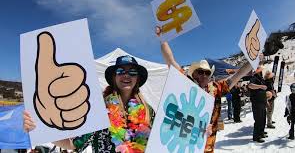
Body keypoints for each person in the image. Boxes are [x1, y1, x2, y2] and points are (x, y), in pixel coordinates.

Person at [24, 55, 155, 153]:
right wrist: (39, 129)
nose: (126, 75)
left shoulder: (149, 111)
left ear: (137, 78)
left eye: (132, 72)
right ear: (114, 78)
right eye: (121, 71)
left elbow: (159, 144)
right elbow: (72, 144)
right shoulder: (99, 108)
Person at [160, 41, 252, 152]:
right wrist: (163, 39)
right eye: (200, 72)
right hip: (185, 143)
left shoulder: (216, 88)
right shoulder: (186, 84)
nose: (204, 75)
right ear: (193, 74)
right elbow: (171, 62)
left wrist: (252, 61)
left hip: (207, 143)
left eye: (207, 73)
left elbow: (238, 75)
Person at [248, 65, 268, 143]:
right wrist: (260, 86)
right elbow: (250, 85)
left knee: (263, 119)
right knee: (258, 120)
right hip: (257, 102)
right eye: (260, 70)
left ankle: (261, 133)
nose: (262, 71)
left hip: (262, 102)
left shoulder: (261, 79)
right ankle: (256, 137)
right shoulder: (254, 78)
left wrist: (266, 101)